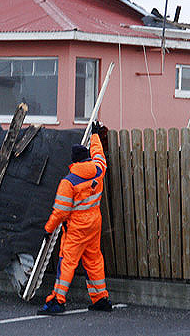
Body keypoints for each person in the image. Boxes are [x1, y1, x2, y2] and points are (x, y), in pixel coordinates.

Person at [37, 121, 112, 315]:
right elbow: (99, 155)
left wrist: (48, 229)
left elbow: (61, 211)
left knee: (67, 261)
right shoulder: (98, 170)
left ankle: (57, 301)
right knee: (94, 259)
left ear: (74, 161)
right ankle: (101, 298)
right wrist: (95, 135)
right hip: (94, 222)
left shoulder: (68, 182)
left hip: (77, 227)